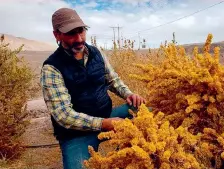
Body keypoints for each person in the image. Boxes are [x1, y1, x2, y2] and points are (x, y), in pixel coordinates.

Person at [40, 7, 146, 169]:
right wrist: (104, 124)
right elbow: (63, 116)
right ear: (57, 35)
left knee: (147, 113)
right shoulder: (51, 68)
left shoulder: (96, 53)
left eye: (81, 31)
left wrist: (129, 94)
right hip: (75, 135)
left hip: (108, 116)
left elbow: (112, 80)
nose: (79, 38)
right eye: (71, 33)